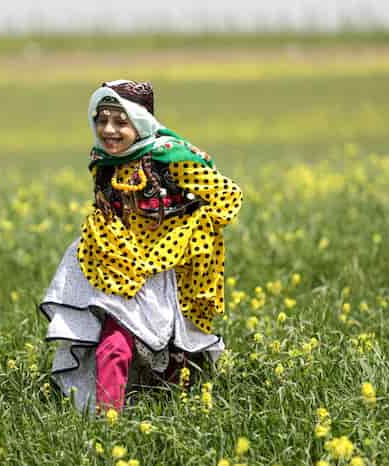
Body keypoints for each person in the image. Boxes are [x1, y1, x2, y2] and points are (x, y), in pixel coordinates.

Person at [39, 80, 243, 414]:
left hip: (164, 271)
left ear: (141, 121)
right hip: (115, 268)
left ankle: (177, 413)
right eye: (101, 119)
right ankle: (109, 424)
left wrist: (184, 237)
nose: (109, 129)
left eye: (121, 121)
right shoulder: (102, 161)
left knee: (176, 350)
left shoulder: (171, 158)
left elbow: (228, 197)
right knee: (113, 346)